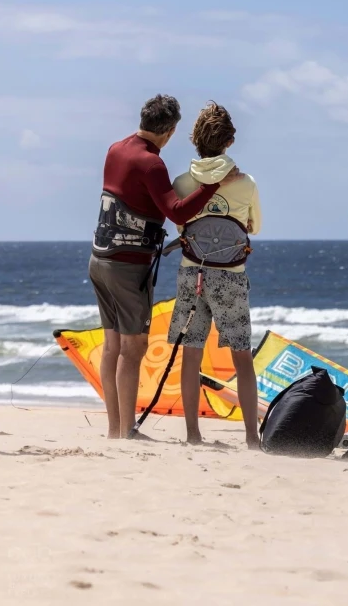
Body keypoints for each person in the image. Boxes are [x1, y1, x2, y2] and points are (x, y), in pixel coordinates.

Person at [90, 94, 239, 439]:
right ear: (170, 132)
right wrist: (214, 185)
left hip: (99, 259)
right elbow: (178, 212)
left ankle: (115, 428)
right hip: (127, 267)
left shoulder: (116, 149)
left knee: (112, 347)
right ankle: (125, 430)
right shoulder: (151, 163)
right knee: (133, 349)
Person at [168, 101, 262, 449]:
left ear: (195, 140)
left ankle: (193, 435)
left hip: (192, 273)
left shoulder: (181, 182)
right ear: (229, 142)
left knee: (191, 353)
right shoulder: (246, 182)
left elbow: (181, 224)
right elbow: (258, 226)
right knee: (242, 355)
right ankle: (252, 439)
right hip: (231, 277)